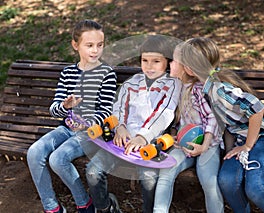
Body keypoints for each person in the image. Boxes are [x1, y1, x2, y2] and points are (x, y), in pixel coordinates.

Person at [175, 37, 264, 213]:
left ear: (189, 68)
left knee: (254, 188)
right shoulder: (203, 89)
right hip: (240, 142)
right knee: (227, 181)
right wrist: (229, 151)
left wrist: (247, 146)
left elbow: (257, 109)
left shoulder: (219, 89)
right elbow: (228, 125)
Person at [27, 20, 117, 213]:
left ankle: (84, 204)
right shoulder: (68, 73)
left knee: (58, 158)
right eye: (89, 45)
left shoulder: (106, 74)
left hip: (91, 134)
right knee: (34, 152)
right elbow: (54, 109)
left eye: (100, 45)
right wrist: (65, 106)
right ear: (75, 45)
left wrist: (87, 123)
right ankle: (51, 207)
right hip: (66, 128)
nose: (95, 50)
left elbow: (106, 111)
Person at [85, 35, 182, 213]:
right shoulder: (132, 83)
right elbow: (118, 108)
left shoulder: (173, 84)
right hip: (121, 142)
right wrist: (120, 127)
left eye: (156, 61)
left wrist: (142, 138)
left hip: (150, 144)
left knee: (148, 178)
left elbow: (164, 115)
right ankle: (106, 207)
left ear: (167, 62)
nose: (149, 66)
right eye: (145, 60)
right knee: (92, 171)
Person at [152, 39, 224, 213]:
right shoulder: (178, 85)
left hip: (208, 144)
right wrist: (177, 133)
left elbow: (213, 118)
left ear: (187, 69)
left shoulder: (198, 89)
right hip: (185, 144)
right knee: (166, 171)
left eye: (175, 61)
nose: (170, 63)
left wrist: (204, 145)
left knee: (208, 179)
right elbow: (178, 117)